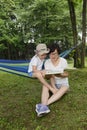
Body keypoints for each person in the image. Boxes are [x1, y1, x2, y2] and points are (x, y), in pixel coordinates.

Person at [36, 43, 69, 117]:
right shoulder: (47, 62)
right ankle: (44, 107)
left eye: (55, 54)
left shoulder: (63, 61)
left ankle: (43, 105)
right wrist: (46, 75)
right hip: (53, 84)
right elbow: (49, 78)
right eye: (50, 54)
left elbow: (67, 74)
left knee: (65, 87)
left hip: (63, 84)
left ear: (58, 53)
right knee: (45, 86)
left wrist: (60, 75)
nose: (52, 56)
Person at [28, 43, 58, 116]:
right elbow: (34, 70)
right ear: (37, 54)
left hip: (39, 71)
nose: (44, 56)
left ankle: (54, 88)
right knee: (39, 74)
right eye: (42, 55)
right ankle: (51, 88)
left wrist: (45, 71)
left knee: (50, 73)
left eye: (45, 54)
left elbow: (41, 68)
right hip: (32, 73)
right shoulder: (35, 59)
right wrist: (42, 72)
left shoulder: (42, 58)